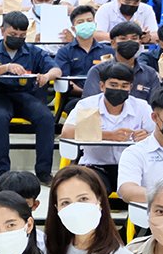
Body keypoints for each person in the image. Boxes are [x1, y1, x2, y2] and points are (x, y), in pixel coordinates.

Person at [0, 11, 62, 181]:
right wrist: (5, 67)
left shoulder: (34, 51)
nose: (17, 38)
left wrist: (47, 76)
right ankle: (2, 172)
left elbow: (56, 69)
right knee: (0, 116)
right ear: (2, 31)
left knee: (45, 117)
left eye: (22, 35)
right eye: (13, 34)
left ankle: (44, 172)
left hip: (24, 96)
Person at [61, 62, 153, 194]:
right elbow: (67, 132)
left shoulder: (141, 106)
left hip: (133, 168)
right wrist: (109, 135)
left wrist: (146, 136)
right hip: (96, 167)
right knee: (90, 191)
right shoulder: (87, 104)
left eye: (124, 86)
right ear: (102, 86)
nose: (118, 89)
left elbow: (158, 134)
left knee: (153, 191)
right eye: (113, 85)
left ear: (130, 87)